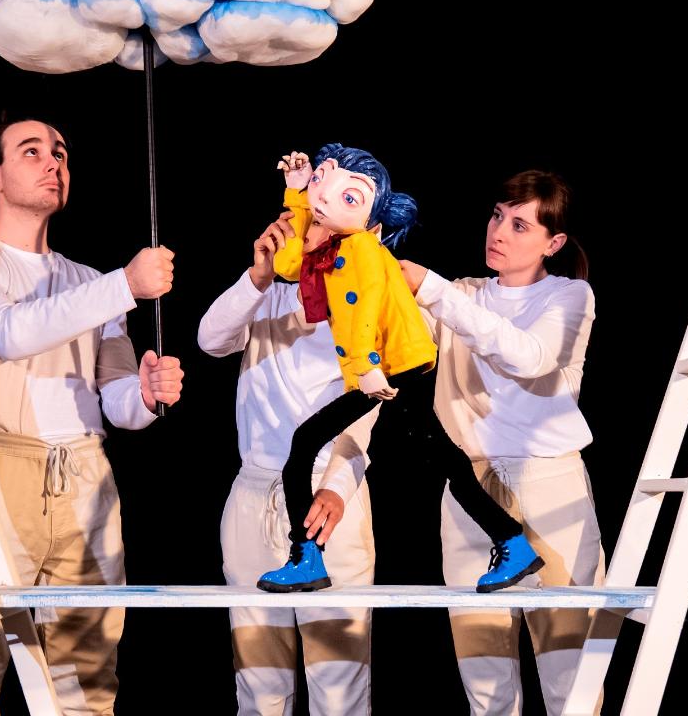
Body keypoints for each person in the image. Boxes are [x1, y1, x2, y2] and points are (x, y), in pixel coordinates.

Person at [0, 116, 184, 716]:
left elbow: (118, 404)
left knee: (88, 679)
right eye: (31, 151)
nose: (53, 163)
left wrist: (146, 395)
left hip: (86, 478)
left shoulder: (89, 281)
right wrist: (125, 284)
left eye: (60, 153)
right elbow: (4, 334)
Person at [257, 145, 542, 595]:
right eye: (322, 178)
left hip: (392, 367)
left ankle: (305, 557)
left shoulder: (361, 251)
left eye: (349, 196)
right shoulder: (333, 248)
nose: (325, 194)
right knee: (444, 456)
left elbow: (364, 309)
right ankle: (512, 542)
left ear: (371, 219)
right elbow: (288, 264)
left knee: (305, 442)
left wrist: (367, 367)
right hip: (394, 365)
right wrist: (295, 193)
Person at [400, 170, 605, 715]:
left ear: (553, 244)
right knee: (485, 677)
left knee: (570, 675)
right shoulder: (462, 294)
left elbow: (528, 357)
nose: (499, 232)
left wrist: (433, 290)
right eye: (497, 216)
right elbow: (390, 329)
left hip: (549, 483)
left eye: (520, 225)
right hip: (472, 489)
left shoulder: (569, 296)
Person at [198, 210, 378, 714]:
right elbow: (210, 340)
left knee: (340, 690)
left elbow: (365, 416)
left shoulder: (368, 309)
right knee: (259, 686)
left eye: (323, 218)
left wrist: (338, 486)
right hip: (254, 492)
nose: (308, 229)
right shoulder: (268, 299)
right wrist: (257, 276)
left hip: (327, 496)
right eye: (306, 216)